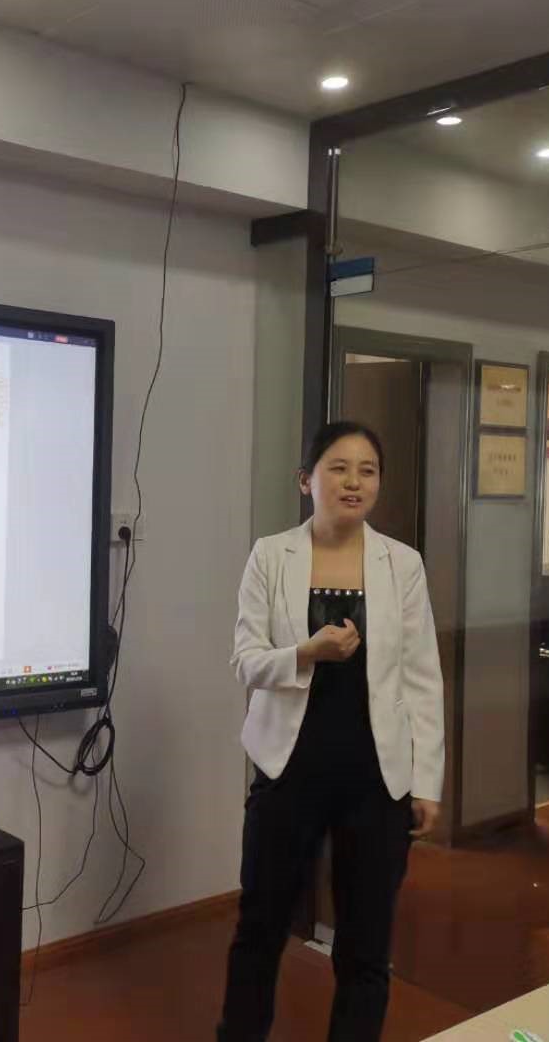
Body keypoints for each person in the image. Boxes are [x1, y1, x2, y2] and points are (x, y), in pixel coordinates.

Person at [217, 421, 445, 1042]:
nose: (353, 482)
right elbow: (246, 661)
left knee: (366, 944)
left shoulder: (403, 564)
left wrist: (426, 781)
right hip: (288, 770)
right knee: (260, 927)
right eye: (338, 468)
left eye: (367, 470)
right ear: (306, 481)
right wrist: (306, 652)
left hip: (376, 779)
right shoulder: (271, 555)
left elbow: (422, 678)